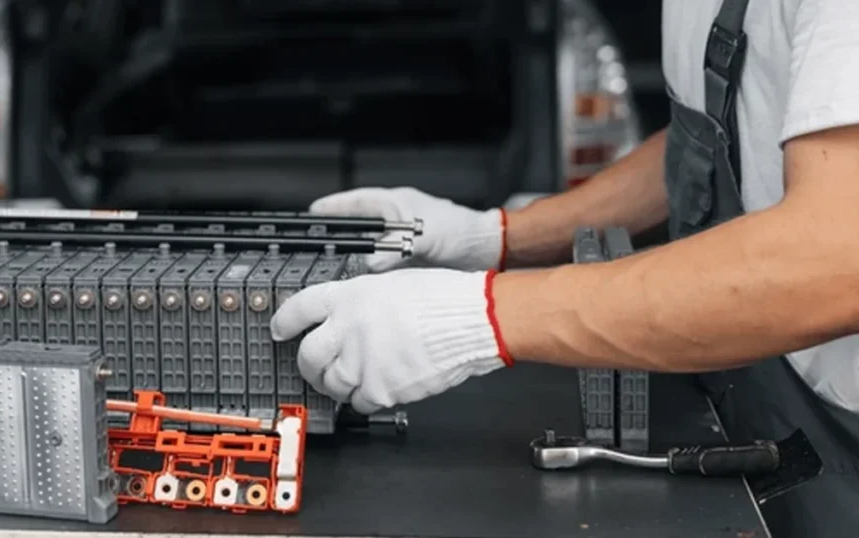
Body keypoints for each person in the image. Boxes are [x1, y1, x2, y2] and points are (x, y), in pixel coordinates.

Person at [268, 0, 859, 535]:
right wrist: (496, 237)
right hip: (757, 420)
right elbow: (705, 142)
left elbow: (832, 259)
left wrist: (483, 317)